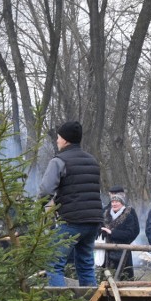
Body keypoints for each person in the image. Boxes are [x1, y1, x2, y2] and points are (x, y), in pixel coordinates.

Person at [38, 120, 102, 287]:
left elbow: (45, 190)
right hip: (94, 220)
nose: (57, 141)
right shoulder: (92, 161)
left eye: (58, 137)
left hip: (71, 220)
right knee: (86, 265)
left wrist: (41, 209)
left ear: (65, 140)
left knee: (53, 263)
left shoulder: (59, 161)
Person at [100, 194, 140, 279]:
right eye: (113, 202)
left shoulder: (128, 216)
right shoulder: (105, 215)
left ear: (122, 203)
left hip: (123, 251)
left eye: (117, 202)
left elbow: (130, 233)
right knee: (106, 277)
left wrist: (112, 232)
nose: (114, 204)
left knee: (124, 276)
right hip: (106, 252)